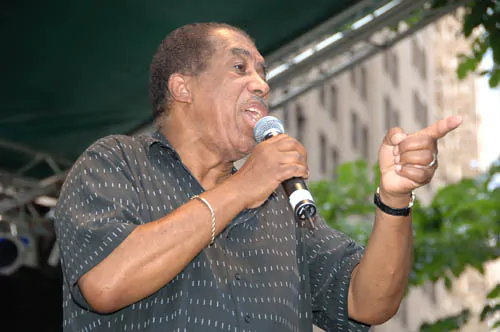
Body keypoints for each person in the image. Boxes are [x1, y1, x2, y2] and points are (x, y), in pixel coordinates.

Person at [54, 22, 462, 332]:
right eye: (239, 67)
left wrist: (393, 199)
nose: (261, 84)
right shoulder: (116, 161)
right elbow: (105, 285)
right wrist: (244, 186)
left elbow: (369, 301)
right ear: (183, 88)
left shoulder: (281, 206)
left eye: (262, 73)